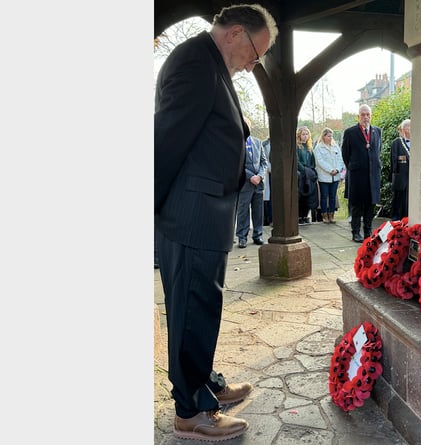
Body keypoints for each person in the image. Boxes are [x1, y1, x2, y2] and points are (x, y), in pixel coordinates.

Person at [154, 4, 278, 442]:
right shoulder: (193, 61)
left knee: (203, 309)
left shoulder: (209, 63)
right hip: (190, 217)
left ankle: (204, 381)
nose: (253, 64)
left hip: (206, 214)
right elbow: (165, 143)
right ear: (236, 33)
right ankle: (190, 411)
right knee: (190, 313)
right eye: (255, 53)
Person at [341, 104, 382, 243]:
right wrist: (353, 166)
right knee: (357, 206)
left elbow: (378, 151)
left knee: (371, 205)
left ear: (371, 116)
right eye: (363, 115)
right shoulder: (350, 132)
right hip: (357, 175)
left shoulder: (377, 131)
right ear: (358, 116)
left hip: (373, 175)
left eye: (368, 114)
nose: (365, 117)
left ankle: (368, 231)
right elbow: (345, 154)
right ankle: (355, 232)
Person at [235, 118, 268, 248]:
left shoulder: (258, 142)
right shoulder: (236, 143)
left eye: (248, 124)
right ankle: (242, 237)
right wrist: (251, 177)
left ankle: (258, 234)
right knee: (243, 210)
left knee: (258, 210)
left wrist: (259, 176)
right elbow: (236, 164)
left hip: (259, 184)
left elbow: (264, 162)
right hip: (245, 183)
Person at [313, 127, 345, 224]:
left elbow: (340, 159)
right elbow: (320, 161)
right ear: (323, 136)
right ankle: (324, 215)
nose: (330, 138)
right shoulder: (318, 148)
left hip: (335, 176)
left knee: (332, 196)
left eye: (331, 136)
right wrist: (330, 170)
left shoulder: (335, 147)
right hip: (324, 176)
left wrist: (338, 169)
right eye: (328, 136)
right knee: (324, 196)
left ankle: (331, 215)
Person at [296, 126, 319, 224]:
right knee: (301, 195)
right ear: (299, 135)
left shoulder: (310, 147)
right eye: (303, 134)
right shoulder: (297, 146)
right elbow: (296, 161)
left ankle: (305, 215)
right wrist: (304, 170)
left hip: (309, 173)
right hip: (301, 173)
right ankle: (299, 216)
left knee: (309, 195)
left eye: (306, 134)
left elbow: (313, 161)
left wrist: (311, 171)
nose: (305, 136)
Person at [390, 118, 411, 221]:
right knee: (399, 200)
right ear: (403, 129)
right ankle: (396, 220)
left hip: (412, 178)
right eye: (409, 127)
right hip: (401, 177)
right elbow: (394, 161)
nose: (411, 129)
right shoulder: (396, 143)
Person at [262, 136, 272, 226]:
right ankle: (269, 219)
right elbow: (264, 160)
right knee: (269, 198)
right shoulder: (264, 144)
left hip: (280, 175)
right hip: (269, 174)